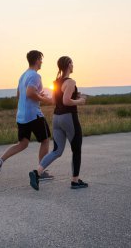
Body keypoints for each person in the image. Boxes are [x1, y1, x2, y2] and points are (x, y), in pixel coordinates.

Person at [0, 50, 53, 180]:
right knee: (45, 140)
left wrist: (38, 95)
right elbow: (30, 93)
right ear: (36, 60)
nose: (41, 62)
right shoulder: (35, 76)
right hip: (34, 115)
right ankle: (40, 172)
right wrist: (45, 99)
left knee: (23, 143)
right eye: (41, 60)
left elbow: (19, 95)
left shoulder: (23, 75)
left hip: (21, 116)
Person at [29, 56, 88, 191]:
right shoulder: (71, 82)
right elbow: (67, 101)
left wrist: (74, 97)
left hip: (57, 118)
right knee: (76, 149)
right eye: (72, 63)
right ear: (68, 65)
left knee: (57, 150)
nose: (73, 66)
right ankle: (75, 181)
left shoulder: (56, 82)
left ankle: (36, 172)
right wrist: (80, 101)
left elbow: (55, 101)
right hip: (69, 118)